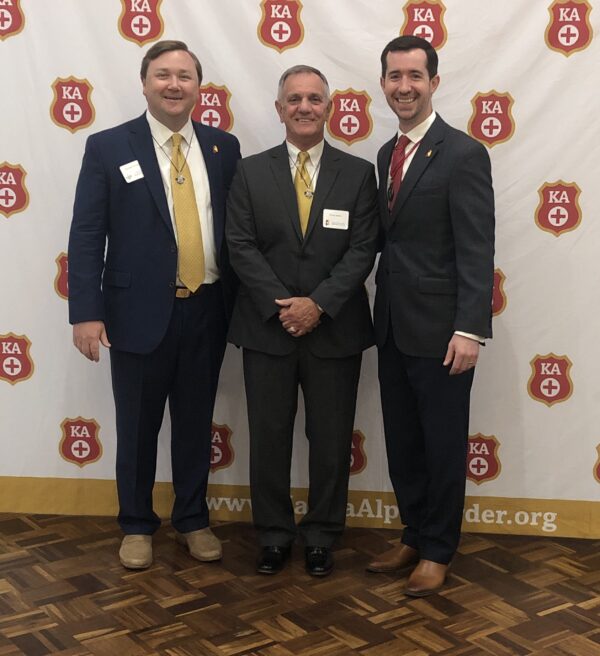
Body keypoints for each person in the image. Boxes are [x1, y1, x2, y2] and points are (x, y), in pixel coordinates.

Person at [67, 40, 241, 569]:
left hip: (207, 308)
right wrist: (86, 312)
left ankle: (192, 520)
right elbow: (87, 233)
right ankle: (137, 525)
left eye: (185, 76)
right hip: (135, 313)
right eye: (163, 74)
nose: (174, 84)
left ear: (198, 87)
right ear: (144, 83)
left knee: (195, 422)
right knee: (138, 426)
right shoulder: (108, 146)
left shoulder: (223, 147)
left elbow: (236, 232)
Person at [226, 65, 378, 577]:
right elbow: (240, 245)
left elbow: (362, 249)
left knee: (331, 439)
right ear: (279, 109)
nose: (305, 107)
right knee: (267, 436)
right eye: (294, 99)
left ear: (330, 109)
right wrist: (283, 304)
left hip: (335, 328)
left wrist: (318, 304)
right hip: (267, 329)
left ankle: (321, 534)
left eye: (315, 98)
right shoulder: (249, 171)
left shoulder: (358, 174)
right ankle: (272, 534)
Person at [367, 36, 495, 595]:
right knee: (403, 441)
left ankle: (439, 549)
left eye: (414, 76)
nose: (404, 87)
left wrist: (470, 329)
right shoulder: (384, 154)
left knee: (442, 444)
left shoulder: (464, 153)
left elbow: (476, 247)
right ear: (383, 84)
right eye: (395, 77)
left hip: (444, 334)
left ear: (434, 83)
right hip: (392, 326)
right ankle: (414, 533)